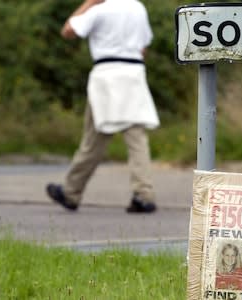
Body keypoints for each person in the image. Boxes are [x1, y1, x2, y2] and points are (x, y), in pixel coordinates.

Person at [46, 0, 160, 213]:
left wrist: (89, 3)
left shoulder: (99, 10)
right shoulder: (138, 8)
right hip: (133, 73)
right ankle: (144, 193)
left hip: (106, 74)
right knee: (136, 137)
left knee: (94, 139)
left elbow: (68, 31)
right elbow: (143, 47)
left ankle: (71, 191)